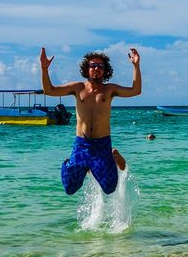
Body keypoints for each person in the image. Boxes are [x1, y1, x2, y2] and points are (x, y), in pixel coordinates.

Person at [40, 46, 141, 196]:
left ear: (105, 70)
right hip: (82, 145)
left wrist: (136, 65)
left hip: (102, 145)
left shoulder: (109, 90)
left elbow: (135, 90)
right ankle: (69, 164)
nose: (96, 69)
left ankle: (114, 158)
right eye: (93, 66)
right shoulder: (78, 88)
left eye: (100, 66)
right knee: (70, 188)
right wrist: (44, 69)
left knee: (110, 188)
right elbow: (50, 90)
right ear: (87, 69)